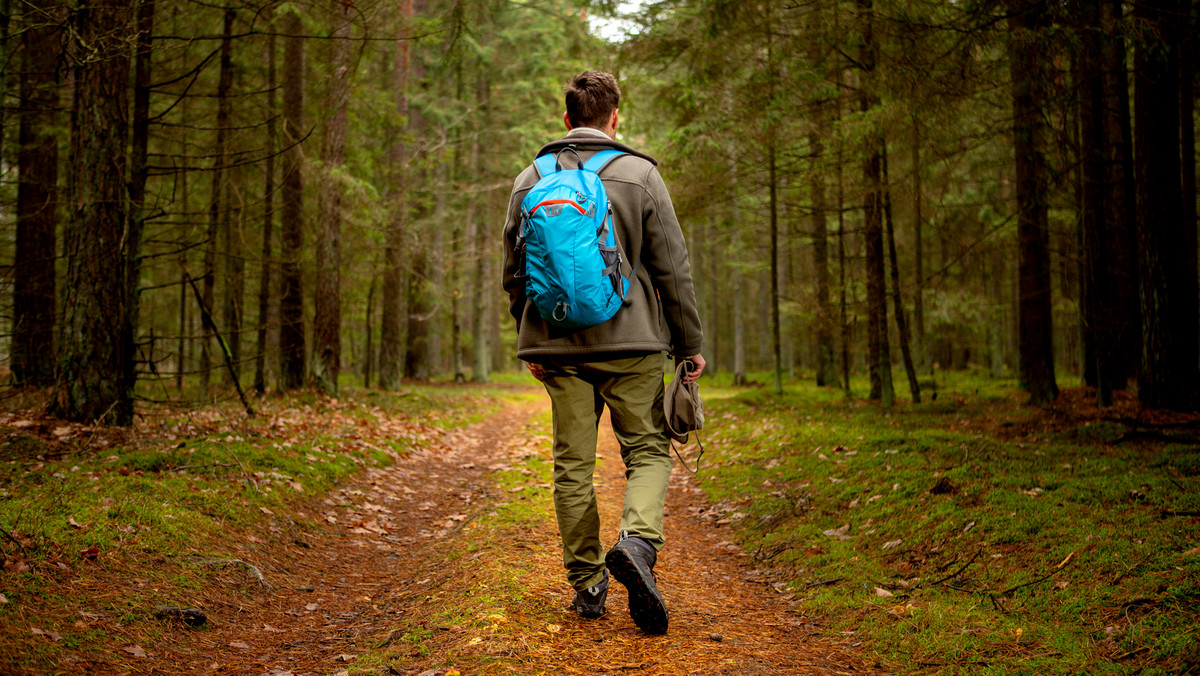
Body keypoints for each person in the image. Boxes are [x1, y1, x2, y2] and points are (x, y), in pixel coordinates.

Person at [501, 70, 705, 635]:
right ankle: (637, 543)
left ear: (566, 120)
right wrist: (689, 346)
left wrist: (529, 340)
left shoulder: (529, 179)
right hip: (633, 342)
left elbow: (513, 273)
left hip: (555, 346)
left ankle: (588, 585)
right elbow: (672, 267)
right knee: (646, 451)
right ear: (615, 117)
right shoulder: (640, 175)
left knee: (573, 464)